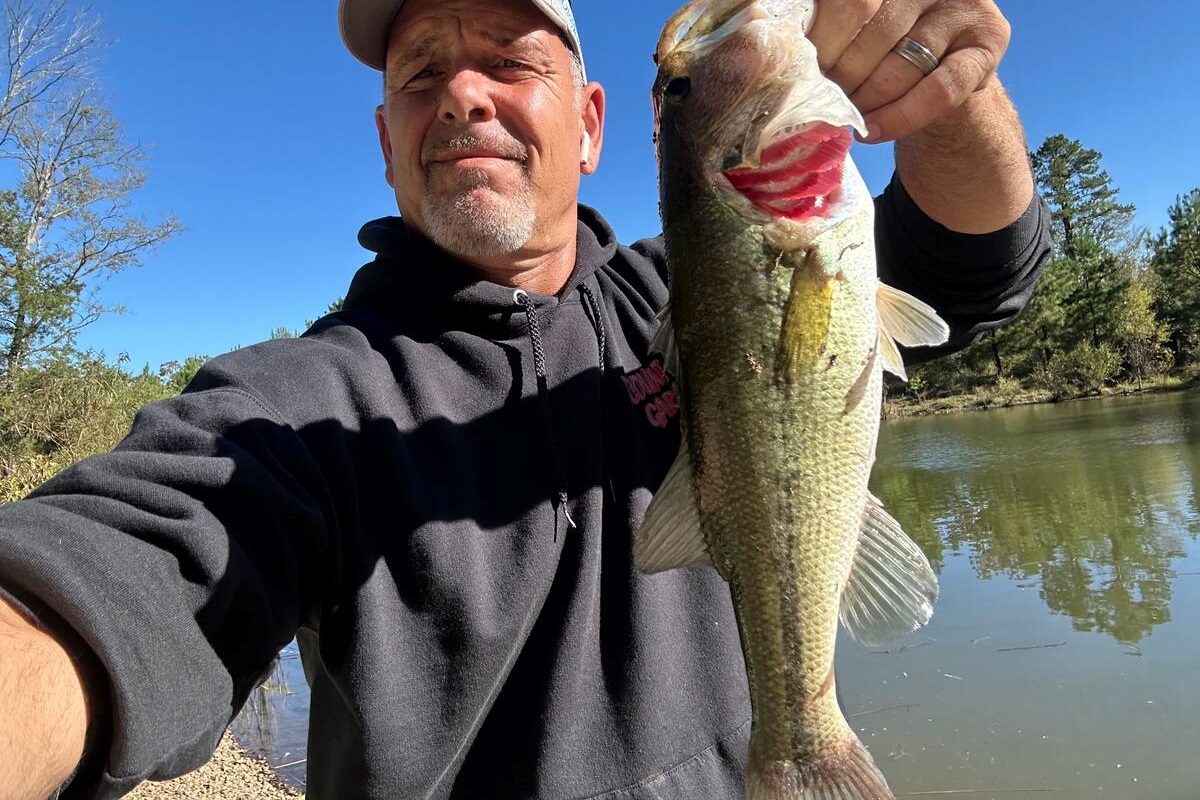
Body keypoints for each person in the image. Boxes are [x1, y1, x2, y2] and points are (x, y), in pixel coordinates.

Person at [0, 0, 1049, 797]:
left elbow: (977, 266)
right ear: (386, 144)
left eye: (509, 62)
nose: (463, 96)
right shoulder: (301, 402)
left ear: (592, 128)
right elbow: (116, 574)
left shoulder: (685, 292)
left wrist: (950, 96)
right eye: (423, 74)